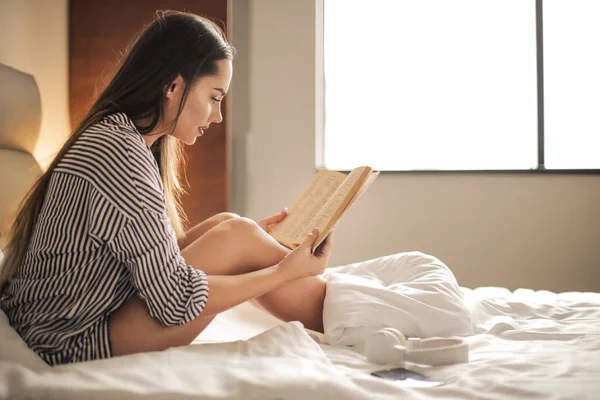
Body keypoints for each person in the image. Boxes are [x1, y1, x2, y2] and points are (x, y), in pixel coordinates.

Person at [0, 10, 333, 366]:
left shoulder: (119, 137)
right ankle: (349, 316)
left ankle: (345, 309)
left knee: (229, 224)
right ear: (173, 86)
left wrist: (255, 251)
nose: (217, 116)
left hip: (66, 318)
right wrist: (282, 272)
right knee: (238, 235)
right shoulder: (120, 156)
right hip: (68, 339)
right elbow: (174, 300)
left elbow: (141, 260)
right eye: (214, 97)